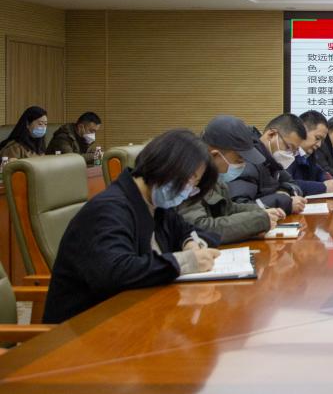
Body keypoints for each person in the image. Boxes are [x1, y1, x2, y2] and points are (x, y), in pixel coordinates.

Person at [42, 129, 223, 324]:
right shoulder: (109, 209)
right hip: (85, 327)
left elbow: (188, 230)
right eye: (189, 180)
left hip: (131, 316)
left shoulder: (156, 205)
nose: (188, 191)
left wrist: (190, 243)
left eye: (194, 185)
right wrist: (184, 262)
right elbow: (115, 273)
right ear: (166, 165)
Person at [178, 116, 285, 244]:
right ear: (215, 155)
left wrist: (261, 212)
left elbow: (228, 209)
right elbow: (200, 228)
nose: (243, 165)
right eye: (239, 160)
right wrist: (257, 220)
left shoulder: (213, 177)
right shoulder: (188, 179)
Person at [228, 114, 307, 215]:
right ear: (271, 135)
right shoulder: (247, 160)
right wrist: (283, 202)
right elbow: (238, 207)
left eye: (294, 152)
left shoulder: (273, 162)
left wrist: (285, 191)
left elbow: (294, 185)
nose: (290, 155)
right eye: (288, 147)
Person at [287, 110, 333, 195]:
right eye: (317, 138)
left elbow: (320, 172)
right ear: (303, 130)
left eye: (322, 141)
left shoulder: (308, 155)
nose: (319, 145)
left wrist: (329, 181)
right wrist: (322, 187)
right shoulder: (286, 153)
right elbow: (287, 184)